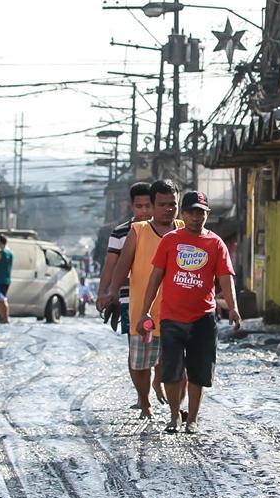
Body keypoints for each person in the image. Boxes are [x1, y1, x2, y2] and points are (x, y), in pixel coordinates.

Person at [137, 190, 241, 434]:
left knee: (199, 372)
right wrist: (145, 311)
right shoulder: (170, 241)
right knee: (171, 371)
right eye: (192, 212)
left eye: (201, 212)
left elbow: (225, 278)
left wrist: (233, 308)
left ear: (207, 215)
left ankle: (192, 418)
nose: (196, 217)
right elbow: (155, 278)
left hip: (203, 319)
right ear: (183, 214)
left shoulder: (215, 243)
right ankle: (175, 416)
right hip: (172, 317)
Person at [104, 180, 184, 419]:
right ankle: (145, 402)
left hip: (178, 312)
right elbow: (121, 265)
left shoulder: (184, 229)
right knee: (140, 364)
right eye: (162, 204)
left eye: (173, 204)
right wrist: (112, 292)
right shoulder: (137, 232)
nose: (168, 209)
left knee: (179, 366)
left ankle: (175, 411)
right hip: (144, 311)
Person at [96, 182, 166, 404]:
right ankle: (142, 397)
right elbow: (111, 265)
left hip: (164, 297)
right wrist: (104, 292)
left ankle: (158, 380)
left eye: (148, 205)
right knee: (136, 348)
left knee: (165, 346)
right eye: (139, 206)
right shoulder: (121, 232)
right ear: (131, 206)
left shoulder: (170, 228)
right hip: (130, 298)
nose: (144, 211)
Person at [0, 234, 13, 324]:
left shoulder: (1, 253)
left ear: (0, 243)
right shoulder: (10, 253)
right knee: (3, 298)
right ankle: (5, 317)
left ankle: (4, 318)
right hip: (7, 279)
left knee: (1, 300)